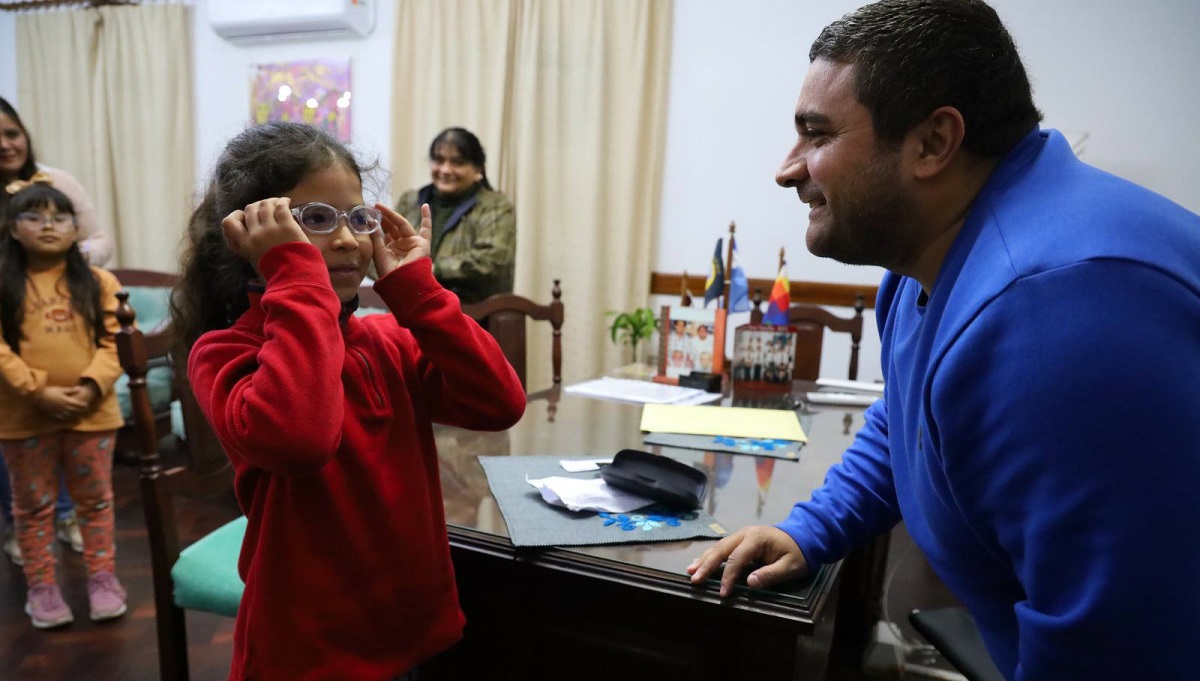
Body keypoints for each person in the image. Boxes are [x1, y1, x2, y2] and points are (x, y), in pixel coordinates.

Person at [687, 1, 1200, 678]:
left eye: (817, 136)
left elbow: (1113, 650)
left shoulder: (1056, 310)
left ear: (933, 143)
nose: (788, 169)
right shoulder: (928, 262)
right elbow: (910, 421)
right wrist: (810, 529)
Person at [172, 122, 526, 680]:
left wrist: (419, 293)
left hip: (411, 627)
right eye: (314, 219)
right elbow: (300, 438)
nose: (345, 239)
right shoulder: (225, 353)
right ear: (248, 236)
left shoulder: (387, 337)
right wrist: (294, 277)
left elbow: (499, 403)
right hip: (310, 651)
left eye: (357, 218)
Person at [0, 179, 127, 629]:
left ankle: (103, 579)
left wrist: (92, 385)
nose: (48, 226)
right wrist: (38, 390)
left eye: (59, 218)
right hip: (23, 417)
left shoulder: (99, 281)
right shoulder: (4, 282)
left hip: (93, 414)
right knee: (32, 507)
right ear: (13, 228)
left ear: (76, 228)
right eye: (34, 217)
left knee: (94, 503)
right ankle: (41, 588)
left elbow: (116, 341)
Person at [0, 96, 113, 564]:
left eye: (11, 133)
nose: (5, 144)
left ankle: (66, 517)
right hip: (10, 337)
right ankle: (22, 523)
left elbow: (99, 240)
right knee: (15, 433)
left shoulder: (57, 182)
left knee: (73, 450)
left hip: (62, 322)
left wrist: (60, 265)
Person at [394, 127, 515, 303]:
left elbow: (493, 259)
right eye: (439, 160)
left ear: (478, 169)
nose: (445, 169)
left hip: (474, 311)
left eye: (457, 162)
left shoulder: (495, 205)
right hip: (409, 305)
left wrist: (431, 269)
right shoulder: (410, 201)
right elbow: (384, 250)